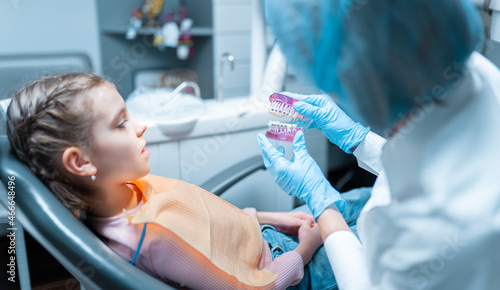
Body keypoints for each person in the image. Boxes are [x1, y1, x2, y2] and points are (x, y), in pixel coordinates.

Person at [257, 0, 500, 289]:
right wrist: (357, 139)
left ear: (359, 75)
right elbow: (429, 151)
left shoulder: (436, 233)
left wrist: (322, 202)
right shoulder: (473, 70)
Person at [6, 72, 370, 290]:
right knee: (388, 233)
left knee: (369, 195)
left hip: (269, 236)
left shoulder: (130, 190)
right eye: (121, 123)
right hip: (286, 271)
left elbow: (206, 219)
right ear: (81, 161)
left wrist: (274, 218)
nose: (140, 126)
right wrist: (305, 248)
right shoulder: (154, 239)